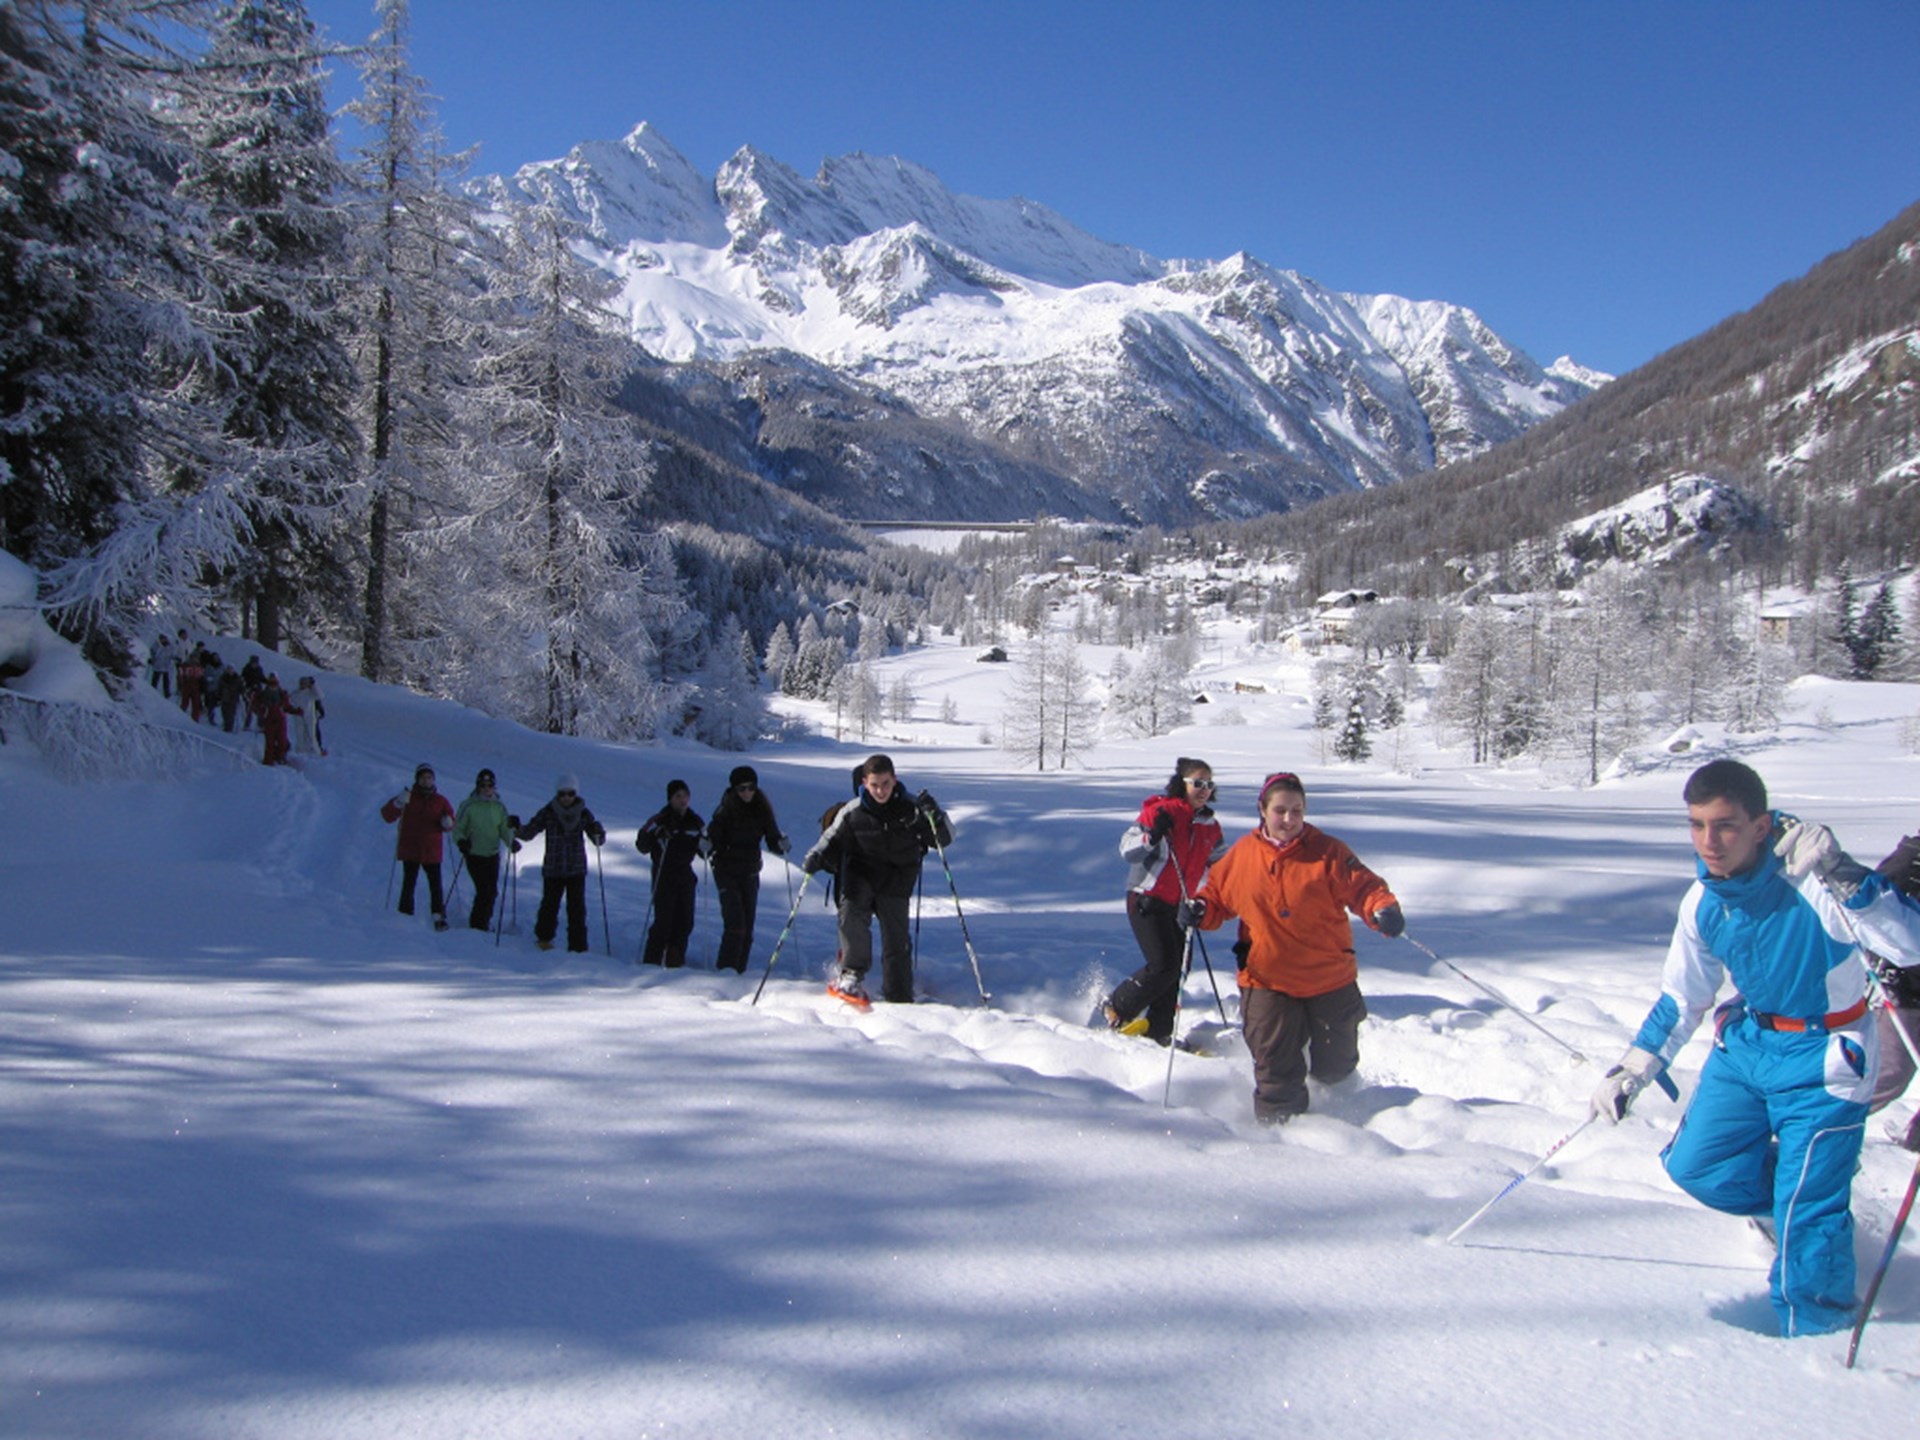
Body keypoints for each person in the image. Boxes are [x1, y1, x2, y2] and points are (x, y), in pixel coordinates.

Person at [1590, 759, 1920, 1337]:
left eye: (1725, 826)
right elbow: (1684, 996)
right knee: (1697, 1166)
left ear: (1761, 827)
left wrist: (1847, 873)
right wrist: (1638, 1063)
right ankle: (1807, 1203)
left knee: (1808, 1212)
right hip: (1745, 1047)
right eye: (1697, 825)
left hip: (1827, 1057)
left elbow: (1909, 943)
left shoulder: (1816, 883)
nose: (1709, 841)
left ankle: (1815, 1332)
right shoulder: (1703, 899)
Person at [1194, 771, 1403, 1124]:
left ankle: (1340, 1123)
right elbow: (1216, 898)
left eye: (1297, 811)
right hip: (1266, 979)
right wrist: (1200, 909)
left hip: (1329, 977)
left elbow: (1364, 887)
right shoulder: (1243, 856)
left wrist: (1382, 909)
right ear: (1262, 810)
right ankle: (1281, 1136)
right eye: (1280, 810)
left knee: (1336, 1066)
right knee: (1275, 1067)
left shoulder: (1328, 852)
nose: (1289, 819)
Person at [803, 753, 952, 1006]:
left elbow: (944, 839)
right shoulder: (852, 810)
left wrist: (935, 816)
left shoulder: (912, 808)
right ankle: (851, 975)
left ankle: (899, 991)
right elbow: (830, 840)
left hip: (897, 879)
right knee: (851, 917)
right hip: (860, 876)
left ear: (894, 779)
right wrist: (817, 857)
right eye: (874, 785)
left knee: (896, 937)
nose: (880, 791)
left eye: (885, 784)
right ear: (864, 783)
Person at [1101, 757, 1225, 1044]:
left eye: (1209, 784)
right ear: (1182, 784)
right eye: (1197, 783)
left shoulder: (1209, 825)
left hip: (1180, 904)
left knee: (1179, 967)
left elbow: (1221, 865)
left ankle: (1159, 1030)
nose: (1204, 790)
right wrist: (1153, 835)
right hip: (1146, 898)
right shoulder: (1160, 811)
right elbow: (1127, 850)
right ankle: (1118, 1005)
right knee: (1164, 964)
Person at [704, 765, 790, 974]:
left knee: (747, 928)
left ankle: (738, 971)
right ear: (734, 789)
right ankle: (726, 970)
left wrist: (780, 844)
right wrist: (704, 845)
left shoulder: (761, 809)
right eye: (742, 788)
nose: (747, 793)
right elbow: (711, 839)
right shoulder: (725, 811)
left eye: (751, 787)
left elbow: (772, 838)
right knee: (736, 924)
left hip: (749, 871)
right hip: (726, 870)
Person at [516, 774, 606, 953]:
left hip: (576, 868)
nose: (566, 798)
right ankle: (544, 939)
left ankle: (578, 946)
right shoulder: (548, 812)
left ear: (576, 794)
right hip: (554, 867)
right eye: (562, 794)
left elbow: (598, 840)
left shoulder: (584, 813)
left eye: (570, 793)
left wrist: (598, 832)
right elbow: (529, 832)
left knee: (577, 910)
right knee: (549, 906)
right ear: (557, 794)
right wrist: (516, 828)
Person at [636, 780, 706, 967]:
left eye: (685, 795)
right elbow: (642, 845)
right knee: (664, 921)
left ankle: (675, 959)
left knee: (685, 921)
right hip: (663, 874)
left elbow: (705, 848)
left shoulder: (695, 821)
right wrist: (656, 835)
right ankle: (652, 961)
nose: (683, 800)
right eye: (678, 796)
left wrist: (707, 846)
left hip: (685, 875)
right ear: (670, 799)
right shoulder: (660, 819)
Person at [381, 763, 456, 930]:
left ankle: (438, 916)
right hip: (411, 847)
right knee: (409, 883)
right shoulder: (408, 797)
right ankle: (405, 914)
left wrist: (448, 823)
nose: (426, 781)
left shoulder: (440, 801)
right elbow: (387, 815)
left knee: (435, 885)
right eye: (423, 778)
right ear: (417, 779)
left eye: (429, 778)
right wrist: (397, 803)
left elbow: (451, 821)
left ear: (433, 780)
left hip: (431, 849)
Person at [452, 768, 519, 932]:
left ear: (494, 787)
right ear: (477, 786)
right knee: (484, 891)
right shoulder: (468, 805)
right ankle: (477, 924)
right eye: (483, 785)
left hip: (492, 854)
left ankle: (484, 922)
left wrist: (511, 842)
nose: (486, 789)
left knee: (492, 891)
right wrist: (461, 841)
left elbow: (504, 829)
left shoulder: (499, 806)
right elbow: (458, 828)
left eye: (489, 785)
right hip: (474, 854)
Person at [255, 673, 294, 766]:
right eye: (271, 680)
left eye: (274, 680)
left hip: (280, 720)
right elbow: (256, 705)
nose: (273, 683)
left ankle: (279, 757)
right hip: (269, 719)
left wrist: (296, 711)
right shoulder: (263, 694)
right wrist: (261, 710)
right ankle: (269, 760)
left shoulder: (282, 693)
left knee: (282, 741)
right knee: (270, 742)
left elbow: (287, 706)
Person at [290, 675, 325, 756]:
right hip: (298, 717)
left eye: (305, 683)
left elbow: (321, 695)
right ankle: (301, 751)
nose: (303, 685)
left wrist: (314, 685)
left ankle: (315, 751)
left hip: (310, 717)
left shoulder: (310, 693)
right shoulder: (295, 694)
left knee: (311, 735)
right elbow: (289, 701)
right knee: (300, 735)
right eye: (301, 683)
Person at [148, 631, 173, 697]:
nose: (163, 640)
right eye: (162, 638)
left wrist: (174, 658)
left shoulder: (169, 645)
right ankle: (152, 691)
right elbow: (152, 652)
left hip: (166, 665)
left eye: (164, 638)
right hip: (158, 665)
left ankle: (167, 693)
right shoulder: (156, 644)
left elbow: (171, 654)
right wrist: (152, 659)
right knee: (155, 679)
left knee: (166, 681)